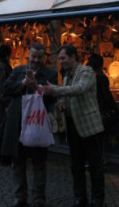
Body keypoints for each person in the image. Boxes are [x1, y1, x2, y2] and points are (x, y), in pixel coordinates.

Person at [42, 44, 105, 207]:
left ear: (73, 57)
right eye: (59, 58)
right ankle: (80, 197)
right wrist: (62, 104)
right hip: (73, 126)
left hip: (89, 126)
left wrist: (55, 90)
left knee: (95, 165)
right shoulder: (66, 76)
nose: (60, 61)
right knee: (76, 165)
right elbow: (68, 95)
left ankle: (98, 199)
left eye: (63, 58)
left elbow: (79, 89)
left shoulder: (86, 71)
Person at [2, 42, 57, 207]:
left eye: (39, 57)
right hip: (18, 123)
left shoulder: (50, 74)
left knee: (39, 162)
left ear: (43, 57)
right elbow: (6, 89)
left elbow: (52, 98)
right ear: (29, 55)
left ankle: (39, 198)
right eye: (33, 56)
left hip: (37, 124)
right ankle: (20, 197)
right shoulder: (18, 70)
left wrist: (36, 88)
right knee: (18, 162)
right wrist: (22, 84)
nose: (36, 60)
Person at [87, 53, 119, 134]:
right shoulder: (101, 78)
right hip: (101, 112)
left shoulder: (87, 76)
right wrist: (117, 111)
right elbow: (107, 96)